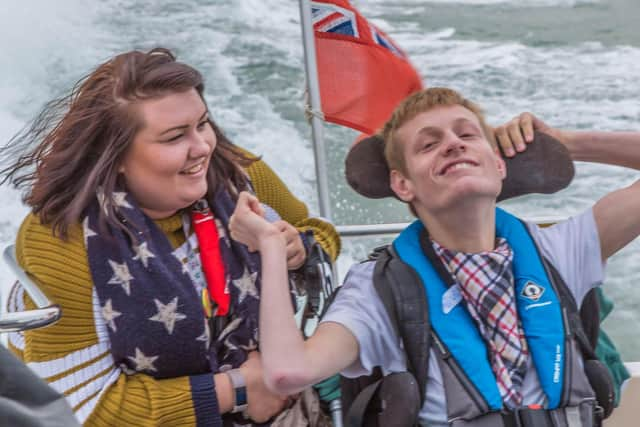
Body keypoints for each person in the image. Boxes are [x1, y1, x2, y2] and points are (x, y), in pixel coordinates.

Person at [229, 87, 640, 426]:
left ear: (498, 165)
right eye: (429, 144)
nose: (453, 144)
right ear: (402, 185)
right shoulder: (380, 289)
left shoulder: (561, 251)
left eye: (468, 135)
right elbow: (288, 373)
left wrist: (566, 144)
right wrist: (270, 248)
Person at [0, 47, 339, 426]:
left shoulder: (237, 175)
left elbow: (320, 234)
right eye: (175, 137)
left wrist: (296, 251)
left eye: (203, 123)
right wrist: (241, 388)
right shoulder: (61, 238)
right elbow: (83, 407)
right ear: (117, 157)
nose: (203, 147)